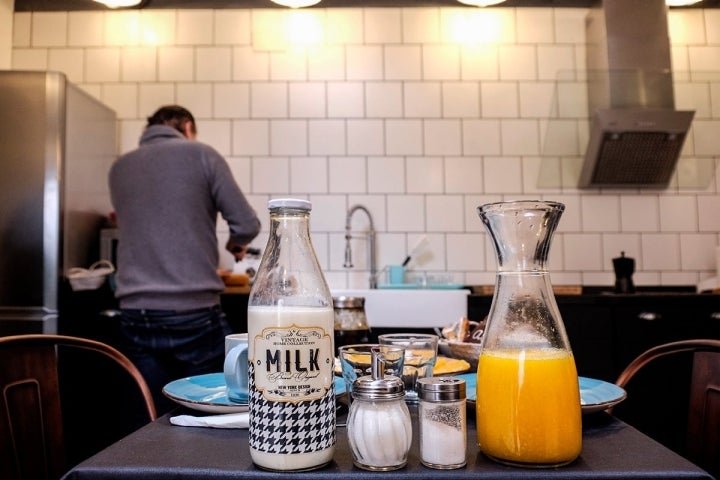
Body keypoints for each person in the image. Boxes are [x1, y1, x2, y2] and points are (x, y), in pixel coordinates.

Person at [109, 105, 261, 414]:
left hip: (135, 314)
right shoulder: (201, 154)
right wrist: (236, 245)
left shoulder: (119, 167)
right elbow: (246, 224)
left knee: (155, 416)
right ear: (187, 127)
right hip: (192, 313)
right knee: (217, 407)